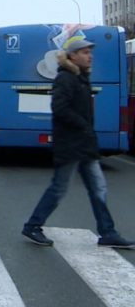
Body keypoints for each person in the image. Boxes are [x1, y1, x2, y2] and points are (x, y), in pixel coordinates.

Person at [21, 38, 135, 249]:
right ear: (73, 56)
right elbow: (59, 107)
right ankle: (32, 225)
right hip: (71, 145)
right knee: (59, 188)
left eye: (90, 52)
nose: (89, 56)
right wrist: (82, 125)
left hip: (83, 145)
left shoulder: (80, 77)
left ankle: (108, 232)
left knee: (97, 187)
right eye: (84, 52)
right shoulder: (66, 78)